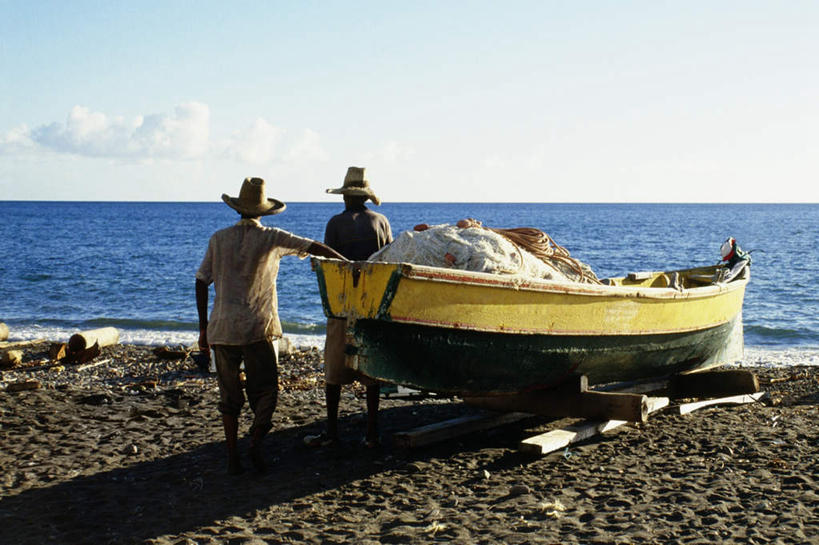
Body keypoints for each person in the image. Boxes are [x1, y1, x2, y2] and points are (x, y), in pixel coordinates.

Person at [196, 177, 345, 475]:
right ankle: (254, 442)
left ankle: (232, 458)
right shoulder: (271, 237)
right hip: (257, 329)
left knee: (228, 398)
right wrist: (347, 262)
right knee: (265, 393)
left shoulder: (218, 238)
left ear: (238, 209)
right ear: (262, 211)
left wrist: (203, 329)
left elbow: (201, 281)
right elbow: (313, 246)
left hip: (222, 329)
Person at [305, 166, 393, 448]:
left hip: (342, 304)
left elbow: (330, 264)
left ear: (345, 197)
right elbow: (388, 262)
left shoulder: (335, 224)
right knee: (371, 374)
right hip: (371, 305)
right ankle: (371, 432)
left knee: (333, 372)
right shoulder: (380, 222)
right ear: (366, 197)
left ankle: (332, 432)